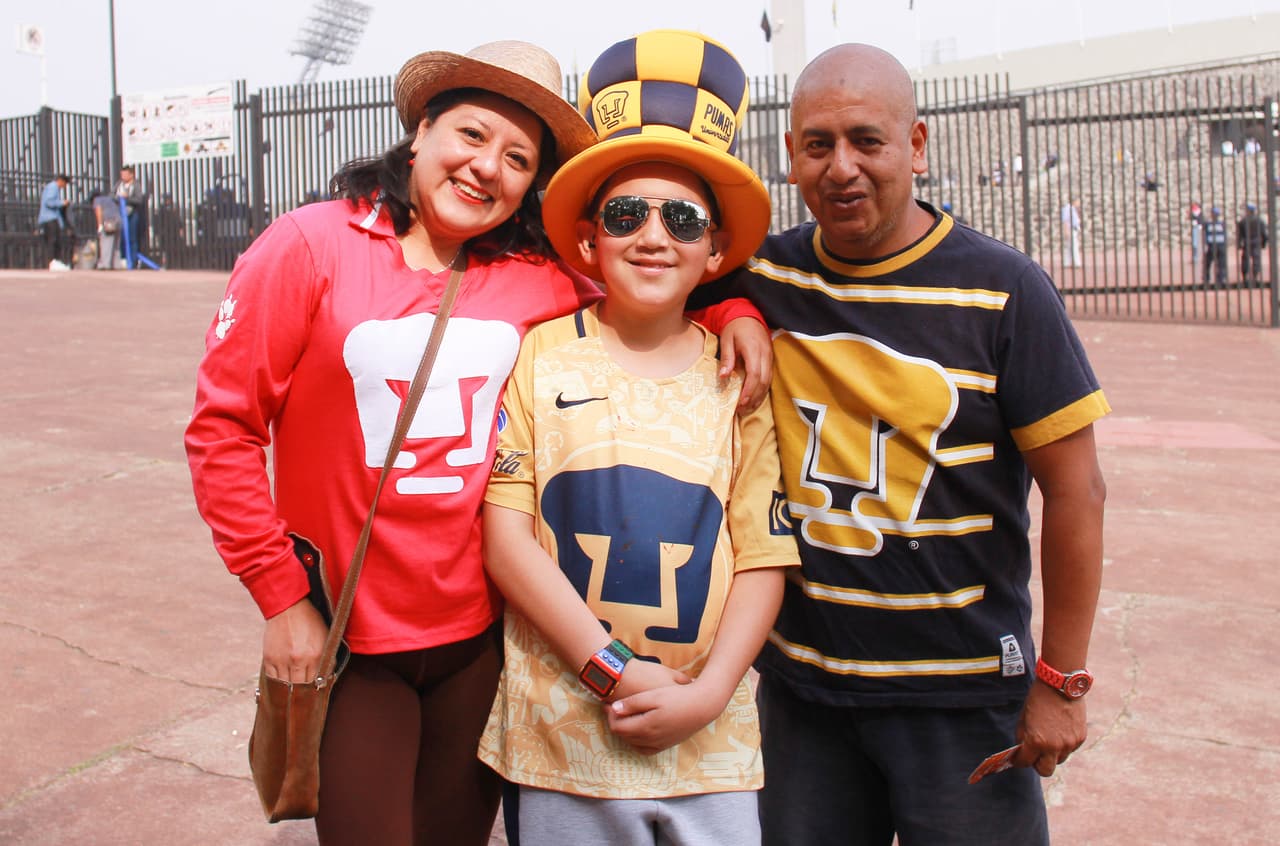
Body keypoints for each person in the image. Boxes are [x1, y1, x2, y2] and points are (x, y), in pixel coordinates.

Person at [184, 40, 769, 845]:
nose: (487, 166)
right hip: (353, 639)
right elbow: (223, 428)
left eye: (518, 157)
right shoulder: (309, 245)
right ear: (420, 130)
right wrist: (280, 600)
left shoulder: (538, 276)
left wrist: (736, 312)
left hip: (478, 645)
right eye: (471, 134)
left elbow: (651, 285)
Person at [692, 43, 1110, 845]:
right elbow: (649, 279)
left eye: (867, 140)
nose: (841, 167)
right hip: (806, 693)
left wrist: (1061, 680)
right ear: (791, 155)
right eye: (819, 145)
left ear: (915, 145)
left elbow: (1076, 490)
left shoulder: (1004, 289)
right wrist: (733, 311)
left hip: (963, 697)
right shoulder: (764, 276)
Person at [476, 30, 797, 846]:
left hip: (711, 746)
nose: (653, 236)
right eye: (626, 215)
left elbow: (763, 553)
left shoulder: (740, 379)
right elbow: (507, 537)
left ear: (715, 250)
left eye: (682, 219)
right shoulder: (541, 354)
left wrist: (711, 692)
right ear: (590, 239)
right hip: (563, 740)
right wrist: (609, 669)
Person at [36, 173, 72, 270]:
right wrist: (62, 203)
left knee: (54, 241)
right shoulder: (53, 187)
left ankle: (54, 262)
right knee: (53, 241)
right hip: (50, 218)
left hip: (49, 218)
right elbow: (49, 202)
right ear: (61, 181)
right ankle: (53, 262)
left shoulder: (51, 187)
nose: (64, 186)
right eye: (65, 184)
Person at [114, 165, 145, 264]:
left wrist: (127, 198)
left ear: (131, 175)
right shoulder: (119, 184)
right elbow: (111, 195)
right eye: (122, 175)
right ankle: (122, 259)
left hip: (132, 214)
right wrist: (118, 198)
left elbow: (139, 200)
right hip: (120, 214)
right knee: (121, 237)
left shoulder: (135, 185)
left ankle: (132, 260)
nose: (123, 177)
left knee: (132, 238)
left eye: (125, 174)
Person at [92, 187, 125, 270]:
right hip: (118, 221)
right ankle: (116, 265)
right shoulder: (110, 199)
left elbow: (98, 211)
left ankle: (105, 264)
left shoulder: (97, 200)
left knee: (106, 243)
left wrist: (100, 225)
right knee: (116, 246)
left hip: (109, 222)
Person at [1236, 202, 1267, 287]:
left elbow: (1240, 235)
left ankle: (1245, 278)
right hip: (1256, 241)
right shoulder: (1259, 220)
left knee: (1245, 260)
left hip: (1247, 242)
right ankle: (1255, 278)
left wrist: (1239, 244)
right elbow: (1264, 234)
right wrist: (1264, 243)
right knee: (1256, 260)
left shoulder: (1243, 221)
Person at [1203, 205, 1228, 286]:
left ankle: (1208, 278)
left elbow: (1205, 234)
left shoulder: (1208, 223)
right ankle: (1221, 278)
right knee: (1220, 263)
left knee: (1210, 263)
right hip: (1218, 245)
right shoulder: (1222, 223)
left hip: (1213, 245)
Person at [1061, 197, 1082, 267]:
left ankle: (1067, 263)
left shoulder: (1072, 209)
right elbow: (1065, 221)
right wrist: (1066, 231)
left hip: (1074, 229)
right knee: (1074, 246)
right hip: (1070, 230)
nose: (1079, 203)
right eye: (1078, 201)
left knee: (1070, 247)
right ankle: (1076, 263)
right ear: (1074, 201)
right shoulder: (1068, 209)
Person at [1189, 201, 1203, 266]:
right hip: (1195, 228)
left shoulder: (1198, 212)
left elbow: (1200, 220)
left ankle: (1197, 258)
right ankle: (1195, 258)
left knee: (1197, 244)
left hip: (1198, 228)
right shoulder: (1193, 213)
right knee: (1195, 244)